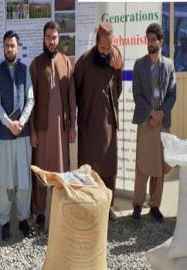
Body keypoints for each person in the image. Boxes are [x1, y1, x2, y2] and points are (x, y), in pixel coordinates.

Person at [74, 22, 123, 221]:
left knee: (109, 166)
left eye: (108, 48)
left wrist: (117, 69)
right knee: (89, 167)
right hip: (88, 123)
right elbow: (75, 92)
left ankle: (108, 205)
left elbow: (118, 88)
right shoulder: (84, 61)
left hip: (109, 122)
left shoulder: (115, 58)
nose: (105, 52)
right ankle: (88, 205)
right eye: (102, 48)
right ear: (96, 43)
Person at [30, 21, 76, 228]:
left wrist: (72, 126)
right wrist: (32, 130)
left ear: (59, 39)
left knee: (60, 172)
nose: (51, 41)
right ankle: (39, 213)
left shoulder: (67, 62)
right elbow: (30, 102)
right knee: (40, 172)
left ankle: (59, 211)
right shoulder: (36, 64)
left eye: (54, 37)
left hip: (61, 130)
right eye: (48, 37)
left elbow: (72, 97)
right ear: (43, 38)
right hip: (41, 129)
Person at [131, 23, 176, 222]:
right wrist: (151, 113)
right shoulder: (139, 65)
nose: (150, 43)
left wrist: (161, 114)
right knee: (142, 165)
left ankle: (155, 206)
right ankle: (137, 205)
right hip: (146, 121)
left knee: (160, 167)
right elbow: (136, 93)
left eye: (154, 40)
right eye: (148, 40)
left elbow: (172, 94)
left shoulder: (169, 65)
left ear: (160, 42)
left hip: (163, 123)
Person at [0, 31, 34, 240]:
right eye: (7, 45)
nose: (10, 49)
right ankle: (5, 221)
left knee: (24, 180)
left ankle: (24, 219)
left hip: (23, 134)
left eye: (13, 45)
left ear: (18, 47)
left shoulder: (25, 70)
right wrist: (10, 124)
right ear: (3, 47)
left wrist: (22, 122)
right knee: (5, 181)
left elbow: (30, 99)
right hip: (4, 135)